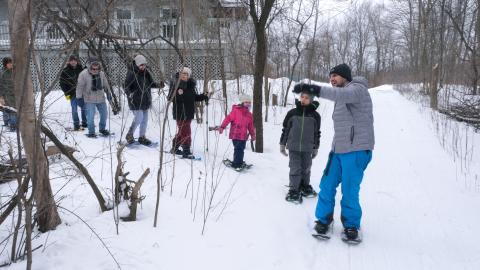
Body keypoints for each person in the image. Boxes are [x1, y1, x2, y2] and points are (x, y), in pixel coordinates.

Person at [307, 63, 374, 242]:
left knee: (349, 189)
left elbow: (345, 95)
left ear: (345, 76)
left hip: (357, 149)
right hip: (338, 150)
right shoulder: (341, 96)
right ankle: (323, 220)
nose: (332, 79)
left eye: (335, 75)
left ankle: (351, 226)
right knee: (327, 185)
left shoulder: (358, 89)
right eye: (330, 76)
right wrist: (333, 149)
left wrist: (315, 89)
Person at [279, 87, 321, 204]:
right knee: (295, 168)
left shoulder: (315, 116)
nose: (303, 99)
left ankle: (304, 185)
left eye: (307, 98)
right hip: (293, 147)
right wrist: (282, 144)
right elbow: (285, 129)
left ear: (311, 100)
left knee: (306, 168)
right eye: (302, 96)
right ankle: (293, 190)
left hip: (308, 148)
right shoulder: (292, 113)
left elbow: (317, 133)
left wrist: (315, 147)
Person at [167, 67, 209, 158]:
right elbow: (169, 98)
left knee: (182, 131)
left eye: (186, 74)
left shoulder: (190, 85)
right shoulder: (175, 84)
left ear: (188, 76)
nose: (184, 75)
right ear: (179, 74)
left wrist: (203, 96)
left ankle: (174, 148)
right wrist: (177, 95)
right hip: (180, 113)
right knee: (186, 132)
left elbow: (194, 97)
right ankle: (186, 151)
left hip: (189, 112)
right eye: (182, 73)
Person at [124, 54, 164, 145]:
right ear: (137, 64)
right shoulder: (132, 73)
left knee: (144, 120)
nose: (143, 66)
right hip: (135, 100)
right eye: (141, 65)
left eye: (144, 64)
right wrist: (130, 94)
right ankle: (129, 134)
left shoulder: (146, 73)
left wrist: (159, 85)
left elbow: (151, 84)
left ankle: (142, 136)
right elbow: (126, 87)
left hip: (145, 99)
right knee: (139, 118)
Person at [76, 57, 113, 138]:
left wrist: (109, 94)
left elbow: (106, 85)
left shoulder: (101, 74)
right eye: (93, 68)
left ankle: (102, 129)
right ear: (90, 66)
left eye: (97, 68)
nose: (95, 70)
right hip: (89, 99)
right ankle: (91, 131)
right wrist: (79, 98)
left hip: (101, 98)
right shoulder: (83, 74)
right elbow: (79, 87)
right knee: (90, 116)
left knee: (104, 114)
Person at [219, 94, 256, 171]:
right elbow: (228, 119)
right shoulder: (236, 111)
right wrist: (222, 127)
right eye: (246, 102)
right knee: (238, 148)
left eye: (249, 102)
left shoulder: (249, 115)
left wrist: (253, 134)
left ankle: (239, 162)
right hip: (235, 134)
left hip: (243, 136)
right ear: (242, 102)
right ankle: (236, 164)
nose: (248, 104)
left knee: (241, 149)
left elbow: (250, 126)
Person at [60, 54, 86, 131]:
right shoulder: (65, 71)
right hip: (72, 94)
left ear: (77, 61)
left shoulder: (81, 69)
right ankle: (76, 124)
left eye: (75, 61)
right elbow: (62, 84)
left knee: (84, 108)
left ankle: (85, 123)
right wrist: (67, 93)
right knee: (74, 109)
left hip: (82, 93)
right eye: (72, 61)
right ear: (69, 62)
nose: (73, 62)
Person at [0, 57, 16, 131]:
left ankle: (13, 124)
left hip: (15, 94)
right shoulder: (2, 73)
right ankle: (7, 123)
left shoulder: (15, 72)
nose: (11, 64)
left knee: (13, 109)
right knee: (6, 109)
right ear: (5, 64)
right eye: (9, 63)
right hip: (6, 94)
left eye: (11, 63)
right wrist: (1, 96)